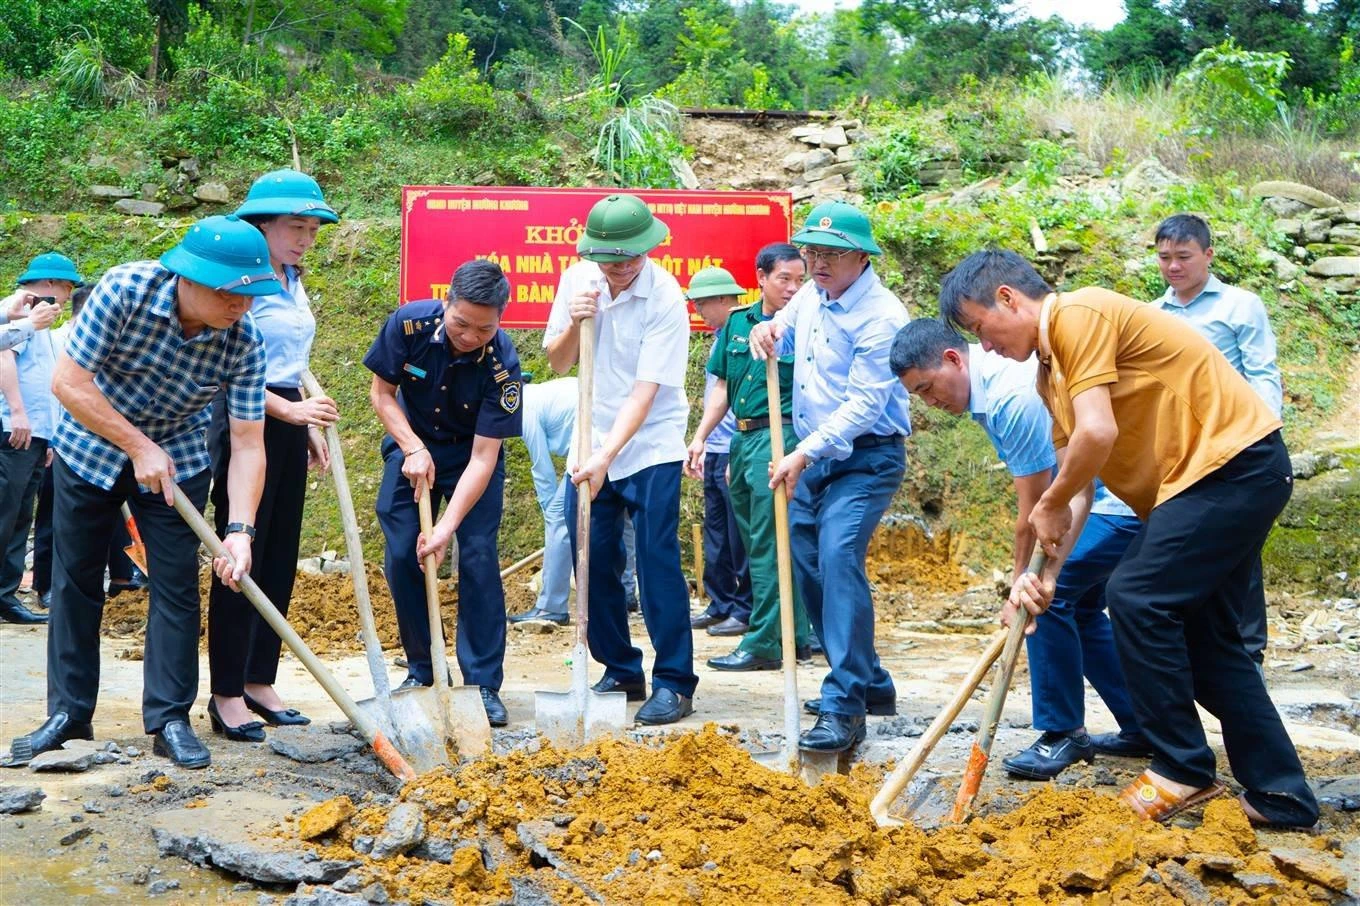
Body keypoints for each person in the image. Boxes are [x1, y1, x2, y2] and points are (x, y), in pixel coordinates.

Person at [940, 248, 1318, 828]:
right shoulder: (1049, 375)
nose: (984, 347)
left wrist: (1047, 501)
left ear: (1008, 299)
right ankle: (1282, 796)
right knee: (1209, 642)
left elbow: (1096, 433)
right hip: (1203, 486)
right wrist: (1047, 576)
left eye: (980, 328)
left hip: (1231, 467)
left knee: (1136, 596)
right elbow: (1080, 489)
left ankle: (1182, 766)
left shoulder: (1078, 313)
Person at [6, 215, 275, 770]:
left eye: (250, 296)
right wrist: (136, 445)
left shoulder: (244, 341)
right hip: (90, 445)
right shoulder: (125, 290)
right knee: (76, 583)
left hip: (177, 461)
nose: (240, 306)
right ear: (189, 278)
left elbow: (249, 443)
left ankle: (169, 718)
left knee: (176, 586)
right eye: (229, 294)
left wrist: (241, 531)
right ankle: (69, 714)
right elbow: (68, 383)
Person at [890, 318, 1147, 780]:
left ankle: (1062, 731)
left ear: (953, 359)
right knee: (1079, 607)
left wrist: (1019, 585)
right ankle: (1145, 724)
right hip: (1092, 498)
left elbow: (1036, 508)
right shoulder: (990, 391)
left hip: (1117, 500)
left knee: (1045, 596)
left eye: (927, 388)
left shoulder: (1010, 395)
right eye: (918, 396)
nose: (930, 402)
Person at [748, 202, 912, 752]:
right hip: (812, 455)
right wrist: (767, 331)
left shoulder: (882, 317)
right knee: (808, 563)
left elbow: (865, 406)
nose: (818, 263)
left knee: (839, 556)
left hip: (865, 457)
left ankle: (845, 705)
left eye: (831, 254)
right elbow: (784, 331)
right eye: (812, 252)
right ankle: (870, 680)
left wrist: (803, 454)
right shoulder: (812, 297)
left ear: (861, 257)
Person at [545, 193, 696, 726]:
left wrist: (608, 455)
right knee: (590, 553)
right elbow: (558, 360)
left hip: (650, 442)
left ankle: (674, 681)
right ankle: (621, 668)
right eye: (613, 260)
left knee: (655, 559)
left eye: (632, 257)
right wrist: (575, 321)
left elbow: (646, 391)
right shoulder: (577, 281)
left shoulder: (665, 297)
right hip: (590, 436)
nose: (623, 267)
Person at [204, 170, 341, 742]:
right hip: (242, 417)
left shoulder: (293, 279)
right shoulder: (241, 281)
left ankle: (260, 678)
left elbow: (290, 361)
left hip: (285, 416)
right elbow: (221, 366)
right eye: (295, 227)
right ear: (261, 226)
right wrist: (288, 411)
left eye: (312, 229)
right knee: (242, 549)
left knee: (281, 551)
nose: (305, 238)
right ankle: (226, 691)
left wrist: (303, 420)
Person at [366, 259, 522, 727]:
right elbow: (382, 394)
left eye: (484, 328)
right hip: (411, 444)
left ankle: (482, 683)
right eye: (461, 323)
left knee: (476, 555)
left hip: (470, 456)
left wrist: (446, 527)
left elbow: (484, 458)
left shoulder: (503, 365)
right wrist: (412, 447)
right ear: (446, 301)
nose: (470, 336)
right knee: (401, 553)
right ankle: (424, 669)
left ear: (500, 320)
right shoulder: (409, 324)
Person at [1154, 213, 1281, 665]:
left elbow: (1262, 373)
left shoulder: (1240, 306)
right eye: (1164, 257)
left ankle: (1248, 654)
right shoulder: (1153, 315)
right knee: (1192, 549)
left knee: (1240, 549)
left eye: (1183, 256)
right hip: (1180, 453)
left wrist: (1262, 436)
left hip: (1234, 444)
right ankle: (1202, 652)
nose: (1173, 266)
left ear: (1208, 254)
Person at [687, 250, 816, 671]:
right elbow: (723, 387)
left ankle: (764, 641)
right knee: (756, 540)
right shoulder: (739, 324)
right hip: (742, 440)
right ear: (761, 277)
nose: (793, 289)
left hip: (781, 435)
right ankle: (796, 635)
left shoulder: (806, 325)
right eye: (783, 279)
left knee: (768, 542)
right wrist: (701, 437)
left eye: (799, 280)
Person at [31, 286, 146, 612]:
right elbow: (52, 391)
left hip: (109, 445)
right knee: (54, 519)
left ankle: (121, 577)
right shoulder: (56, 342)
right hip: (64, 442)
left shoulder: (117, 344)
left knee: (117, 515)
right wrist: (50, 439)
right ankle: (46, 585)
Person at [0, 253, 82, 625]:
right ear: (49, 284)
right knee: (6, 513)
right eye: (66, 288)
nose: (67, 296)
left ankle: (6, 594)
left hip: (35, 434)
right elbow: (4, 358)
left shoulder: (42, 321)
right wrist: (17, 411)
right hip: (15, 429)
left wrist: (49, 436)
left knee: (19, 516)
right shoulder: (19, 312)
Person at [683, 267, 753, 638]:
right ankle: (720, 602)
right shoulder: (717, 340)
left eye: (703, 303)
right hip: (714, 447)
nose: (699, 311)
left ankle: (744, 609)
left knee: (740, 535)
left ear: (724, 299)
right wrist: (703, 441)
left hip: (735, 446)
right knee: (716, 533)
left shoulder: (746, 336)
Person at [510, 373, 578, 626]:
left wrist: (551, 514)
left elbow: (542, 467)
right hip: (614, 434)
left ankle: (551, 606)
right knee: (621, 515)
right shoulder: (541, 395)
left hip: (591, 442)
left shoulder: (524, 408)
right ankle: (626, 593)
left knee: (559, 518)